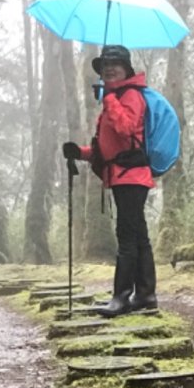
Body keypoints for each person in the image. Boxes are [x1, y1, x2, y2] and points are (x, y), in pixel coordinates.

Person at [62, 44, 158, 317]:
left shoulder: (130, 96)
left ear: (126, 67)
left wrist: (109, 99)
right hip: (123, 175)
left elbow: (127, 129)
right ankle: (145, 295)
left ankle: (121, 297)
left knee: (128, 238)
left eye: (115, 63)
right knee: (138, 236)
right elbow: (109, 150)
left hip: (132, 176)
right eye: (105, 66)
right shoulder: (116, 97)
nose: (109, 68)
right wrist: (80, 153)